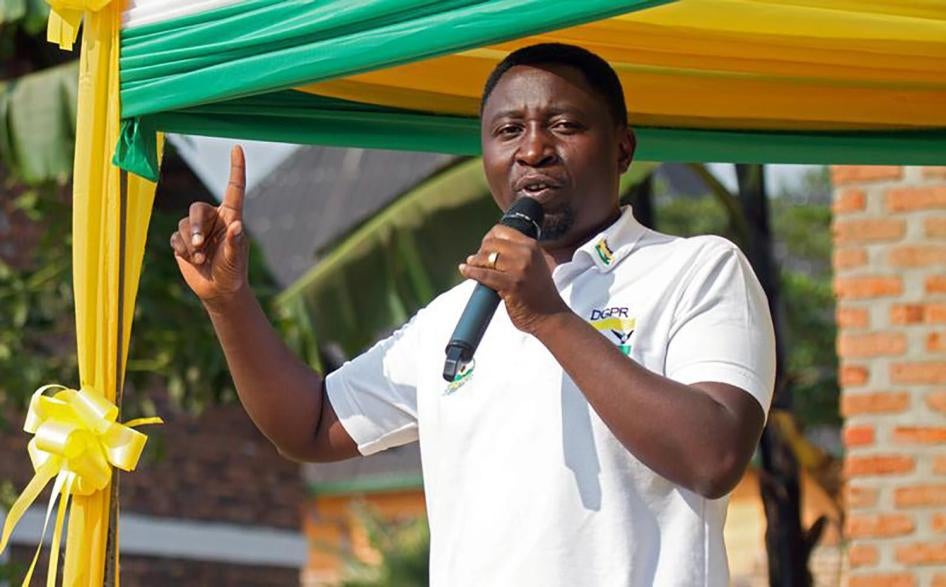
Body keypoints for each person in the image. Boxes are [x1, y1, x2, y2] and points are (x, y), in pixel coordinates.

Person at [169, 44, 775, 586]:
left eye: (564, 124)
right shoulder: (456, 315)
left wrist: (550, 318)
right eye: (508, 130)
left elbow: (714, 456)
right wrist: (228, 301)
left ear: (623, 147)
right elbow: (309, 423)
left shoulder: (696, 270)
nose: (533, 148)